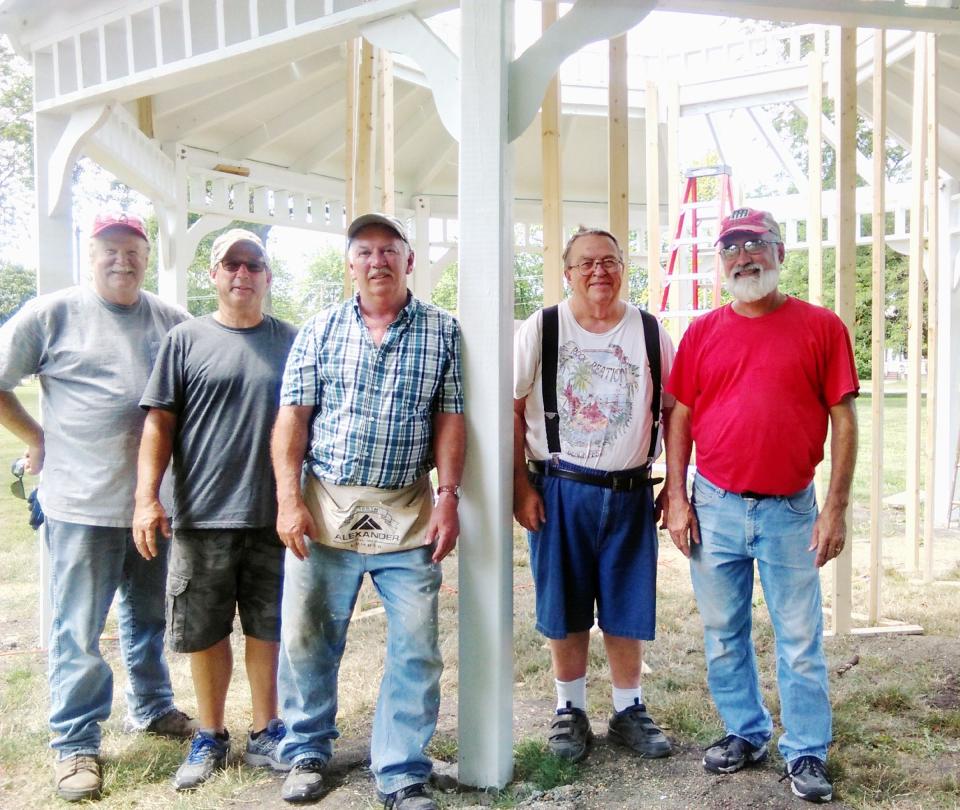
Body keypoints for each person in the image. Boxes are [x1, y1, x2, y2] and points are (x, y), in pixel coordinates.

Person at [664, 207, 859, 803]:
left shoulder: (821, 327)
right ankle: (745, 732)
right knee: (724, 631)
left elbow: (843, 419)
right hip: (715, 506)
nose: (744, 256)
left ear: (780, 251)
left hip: (790, 511)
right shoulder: (702, 332)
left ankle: (805, 749)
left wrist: (836, 508)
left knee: (799, 637)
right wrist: (676, 496)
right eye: (731, 247)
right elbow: (681, 415)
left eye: (756, 244)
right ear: (720, 261)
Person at [271, 213, 464, 808]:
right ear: (349, 264)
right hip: (324, 507)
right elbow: (292, 422)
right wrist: (287, 500)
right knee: (308, 636)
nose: (377, 261)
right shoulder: (320, 331)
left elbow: (450, 419)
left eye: (389, 251)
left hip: (406, 512)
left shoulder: (442, 332)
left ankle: (401, 768)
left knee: (415, 642)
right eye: (365, 252)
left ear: (410, 261)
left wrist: (449, 496)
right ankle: (305, 747)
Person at [0, 212, 195, 802]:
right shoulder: (49, 314)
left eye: (133, 249)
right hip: (79, 505)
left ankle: (153, 707)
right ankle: (76, 741)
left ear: (146, 254)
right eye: (110, 249)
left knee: (149, 616)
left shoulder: (170, 320)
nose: (122, 260)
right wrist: (37, 439)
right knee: (78, 628)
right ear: (92, 255)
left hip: (151, 507)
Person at [133, 229, 297, 790]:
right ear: (214, 274)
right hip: (201, 517)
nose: (242, 275)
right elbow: (159, 422)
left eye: (253, 265)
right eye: (231, 264)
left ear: (267, 277)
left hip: (273, 516)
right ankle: (209, 734)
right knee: (204, 632)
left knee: (267, 628)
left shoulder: (293, 342)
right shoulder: (185, 340)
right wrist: (146, 497)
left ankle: (267, 729)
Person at [513, 227, 675, 764]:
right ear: (567, 272)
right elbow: (511, 409)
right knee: (565, 604)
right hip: (561, 487)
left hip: (630, 489)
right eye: (586, 263)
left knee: (627, 605)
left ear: (623, 267)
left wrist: (675, 486)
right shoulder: (544, 327)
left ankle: (629, 710)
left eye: (609, 261)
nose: (599, 271)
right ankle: (570, 710)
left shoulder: (650, 331)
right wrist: (519, 486)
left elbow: (676, 410)